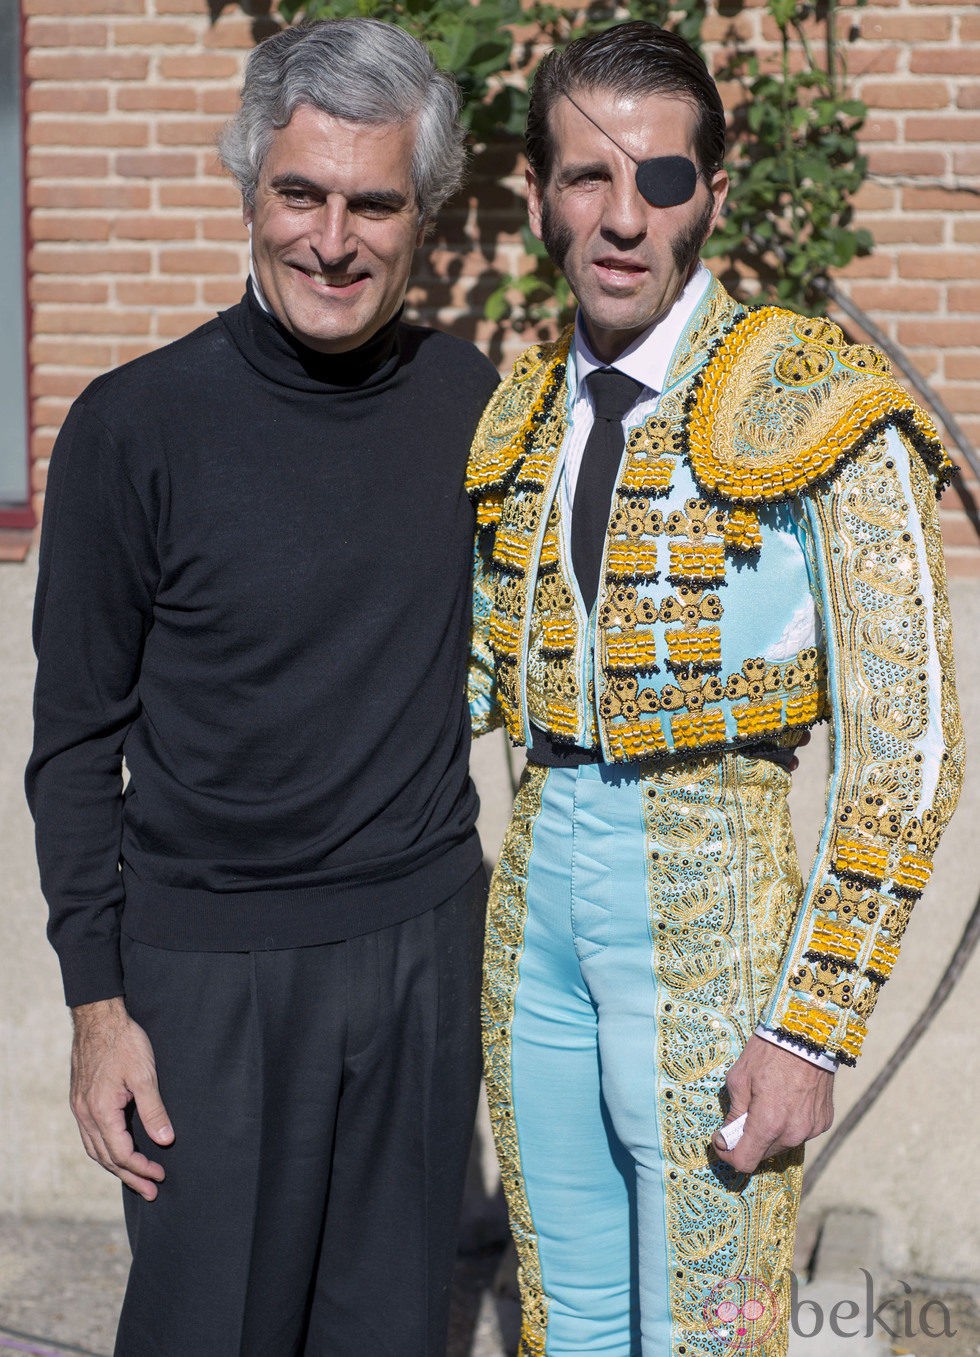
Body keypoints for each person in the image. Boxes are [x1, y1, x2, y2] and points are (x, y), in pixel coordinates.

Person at [467, 21, 964, 1356]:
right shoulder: (515, 413)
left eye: (664, 181)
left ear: (713, 197)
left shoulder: (816, 396)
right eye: (588, 177)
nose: (626, 218)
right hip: (532, 935)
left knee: (708, 1332)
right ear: (539, 198)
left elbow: (905, 751)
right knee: (562, 1322)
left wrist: (810, 1026)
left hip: (718, 927)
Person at [27, 19, 500, 1356]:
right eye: (301, 192)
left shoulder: (474, 404)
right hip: (204, 984)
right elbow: (72, 747)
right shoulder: (132, 428)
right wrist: (98, 1007)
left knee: (392, 1332)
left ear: (422, 218)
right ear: (251, 185)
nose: (332, 239)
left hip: (418, 954)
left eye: (373, 202)